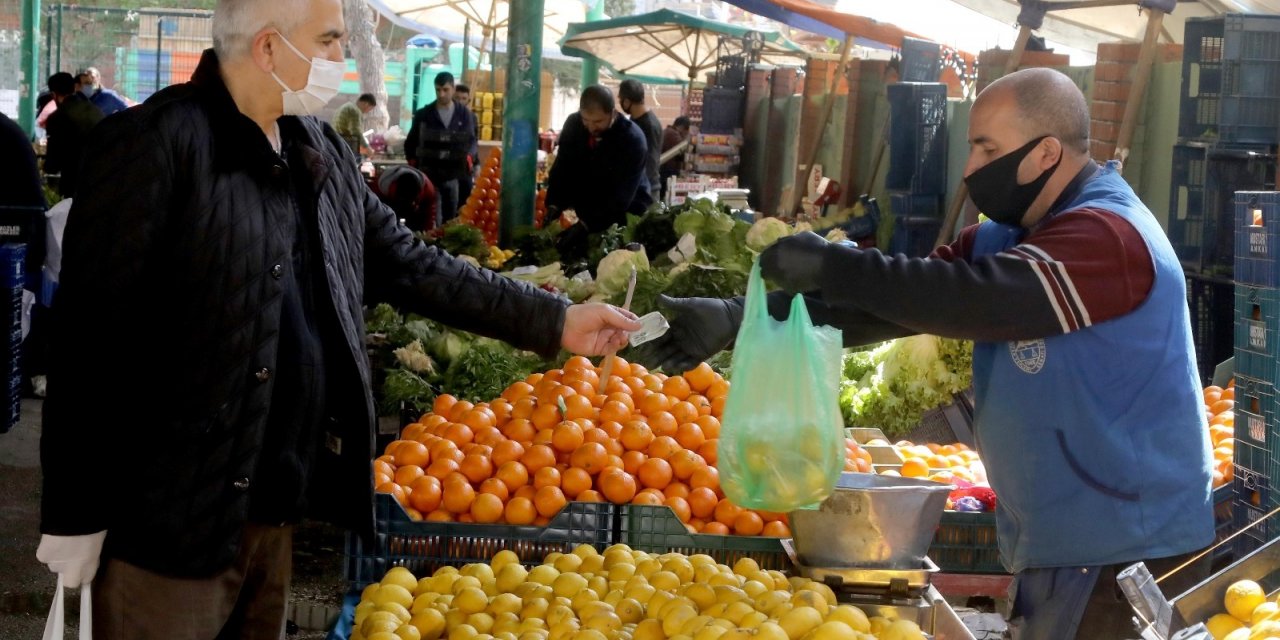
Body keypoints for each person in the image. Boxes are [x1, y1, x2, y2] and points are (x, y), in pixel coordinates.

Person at [33, 1, 640, 638]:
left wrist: (555, 320)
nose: (340, 61)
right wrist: (75, 516)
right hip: (168, 524)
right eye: (327, 42)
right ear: (268, 48)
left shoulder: (316, 149)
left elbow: (412, 263)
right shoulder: (155, 146)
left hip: (273, 507)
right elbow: (88, 343)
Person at [634, 68, 1213, 639]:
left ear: (1045, 155)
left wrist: (836, 265)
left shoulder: (1109, 235)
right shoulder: (1008, 234)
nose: (970, 169)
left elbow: (976, 301)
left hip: (1126, 549)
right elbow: (903, 302)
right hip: (1061, 538)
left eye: (987, 148)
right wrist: (745, 317)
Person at [545, 85, 651, 239]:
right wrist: (554, 203)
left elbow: (620, 197)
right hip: (589, 206)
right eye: (586, 120)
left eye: (598, 121)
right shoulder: (574, 125)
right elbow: (562, 167)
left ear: (613, 113)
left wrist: (586, 225)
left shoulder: (632, 139)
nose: (591, 128)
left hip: (627, 212)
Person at [404, 71, 477, 226]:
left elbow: (471, 140)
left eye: (445, 90)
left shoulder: (464, 115)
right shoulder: (424, 114)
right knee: (432, 218)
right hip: (430, 175)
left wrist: (470, 158)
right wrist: (412, 162)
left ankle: (445, 247)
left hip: (453, 174)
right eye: (438, 90)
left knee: (451, 218)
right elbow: (411, 141)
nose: (442, 94)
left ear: (453, 88)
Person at [42, 72, 103, 198]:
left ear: (54, 95)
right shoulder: (95, 111)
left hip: (74, 183)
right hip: (100, 180)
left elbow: (53, 165)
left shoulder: (57, 117)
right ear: (74, 88)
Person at [618, 79, 662, 203]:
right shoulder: (635, 120)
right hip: (637, 188)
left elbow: (650, 162)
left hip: (647, 191)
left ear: (626, 101)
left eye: (620, 99)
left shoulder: (649, 125)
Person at [659, 115, 691, 203]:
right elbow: (683, 149)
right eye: (686, 131)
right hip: (666, 172)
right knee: (664, 198)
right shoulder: (672, 134)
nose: (686, 133)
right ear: (682, 128)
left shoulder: (668, 131)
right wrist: (687, 138)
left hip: (663, 171)